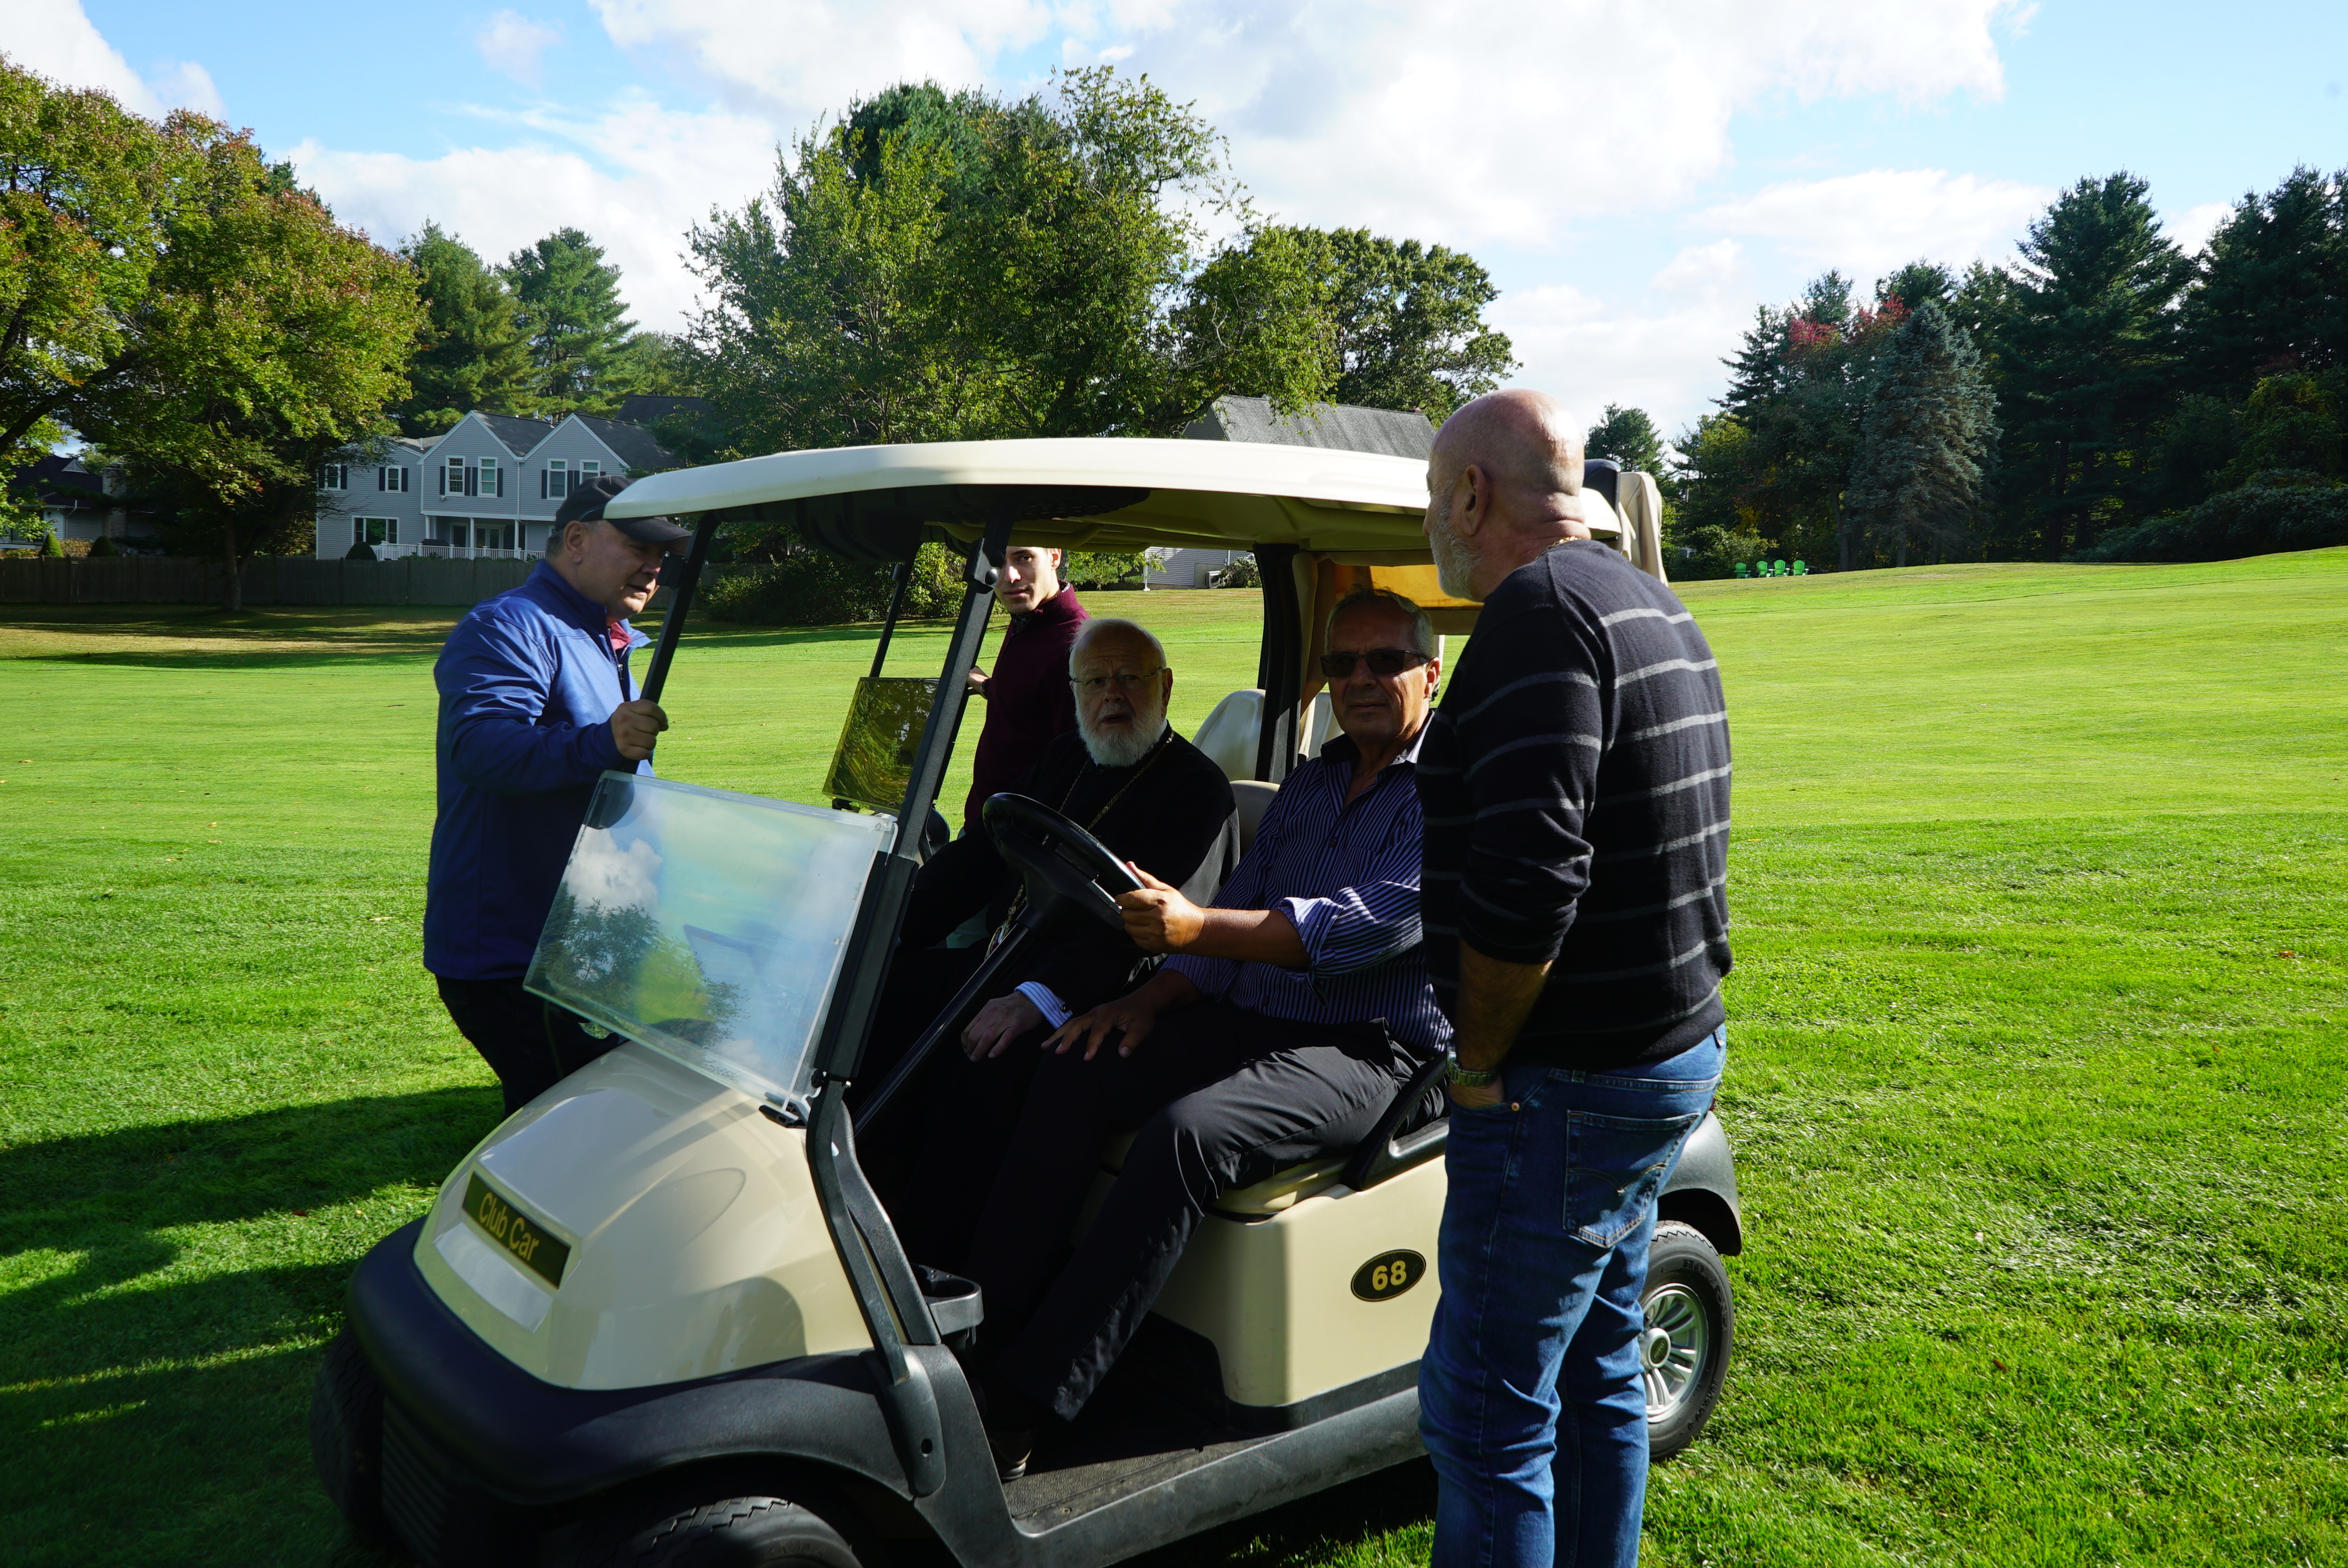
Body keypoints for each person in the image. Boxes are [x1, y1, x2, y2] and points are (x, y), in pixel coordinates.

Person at [960, 585, 1450, 1480]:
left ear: (1432, 670)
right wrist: (1147, 1002)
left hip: (1374, 1047)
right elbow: (1237, 911)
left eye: (1386, 661)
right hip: (1256, 1017)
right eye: (1342, 663)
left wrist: (1192, 928)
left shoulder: (1457, 791)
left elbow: (1366, 928)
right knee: (1075, 1061)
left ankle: (1029, 1402)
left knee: (1191, 1134)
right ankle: (977, 1338)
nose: (1360, 679)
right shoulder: (1315, 782)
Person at [1413, 390, 1733, 1568]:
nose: (1430, 527)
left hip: (1565, 1085)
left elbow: (1529, 884)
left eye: (1431, 500)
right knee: (1599, 1365)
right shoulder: (1649, 601)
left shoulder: (1536, 615)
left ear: (1470, 494)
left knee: (1485, 1412)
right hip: (1661, 1058)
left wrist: (1479, 1060)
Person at [869, 620, 1239, 1263]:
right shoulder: (1066, 756)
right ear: (1075, 693)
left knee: (992, 1055)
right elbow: (980, 857)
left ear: (1165, 687)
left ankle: (934, 1259)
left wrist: (1038, 997)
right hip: (1001, 961)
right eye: (1094, 681)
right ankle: (856, 1198)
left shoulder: (1197, 790)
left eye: (1129, 678)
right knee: (875, 995)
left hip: (1096, 996)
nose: (1112, 694)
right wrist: (885, 926)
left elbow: (1148, 937)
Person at [425, 474, 690, 1115]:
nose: (653, 567)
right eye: (638, 548)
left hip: (582, 937)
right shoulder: (511, 625)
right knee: (573, 1120)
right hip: (515, 951)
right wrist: (601, 742)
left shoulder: (602, 636)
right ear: (576, 540)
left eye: (661, 556)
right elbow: (479, 747)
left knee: (598, 1109)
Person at [962, 545, 1088, 830]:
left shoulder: (1076, 646)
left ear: (1054, 557)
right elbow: (1032, 700)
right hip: (986, 821)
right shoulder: (1029, 619)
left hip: (1019, 836)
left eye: (1024, 558)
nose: (1010, 576)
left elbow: (1075, 769)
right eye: (997, 561)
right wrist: (989, 686)